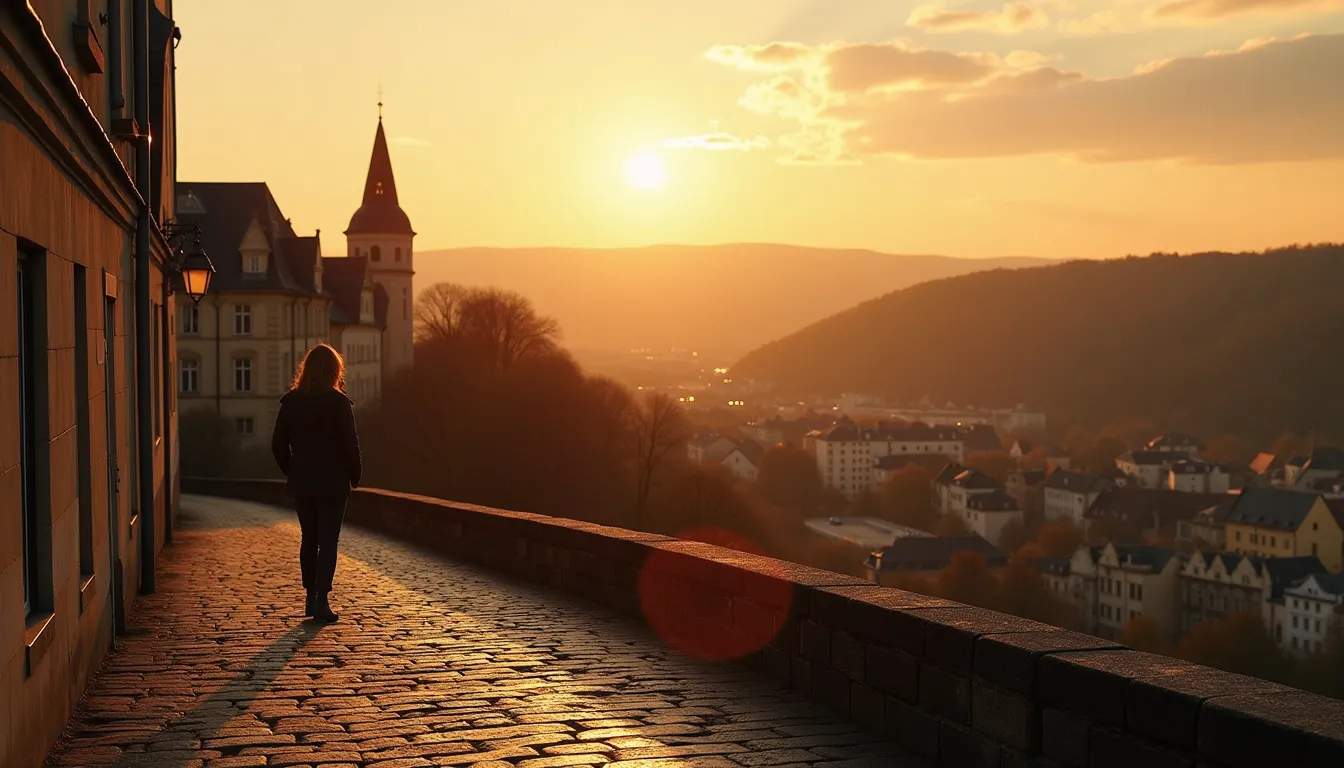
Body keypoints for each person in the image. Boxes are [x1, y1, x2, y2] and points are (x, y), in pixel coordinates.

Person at [271, 343, 362, 623]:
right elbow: (350, 444)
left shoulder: (291, 402)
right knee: (328, 542)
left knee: (309, 539)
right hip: (333, 484)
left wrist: (293, 470)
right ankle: (322, 598)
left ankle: (310, 596)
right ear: (335, 371)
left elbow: (277, 445)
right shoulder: (338, 403)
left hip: (304, 483)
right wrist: (354, 475)